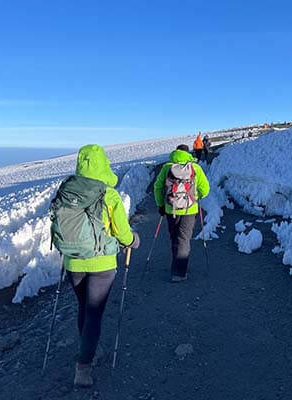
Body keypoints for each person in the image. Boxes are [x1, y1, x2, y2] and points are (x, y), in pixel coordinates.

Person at [58, 144, 140, 387]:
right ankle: (83, 367)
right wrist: (133, 241)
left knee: (83, 307)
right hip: (102, 264)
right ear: (103, 164)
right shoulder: (109, 195)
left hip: (73, 261)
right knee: (94, 313)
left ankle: (89, 347)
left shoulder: (67, 191)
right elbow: (122, 233)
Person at [153, 144, 210, 281]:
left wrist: (160, 205)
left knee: (174, 237)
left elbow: (157, 187)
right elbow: (205, 190)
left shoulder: (167, 167)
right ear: (187, 153)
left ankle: (177, 265)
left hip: (170, 208)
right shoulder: (195, 168)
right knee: (183, 239)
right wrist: (196, 196)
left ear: (175, 152)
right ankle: (179, 273)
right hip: (189, 210)